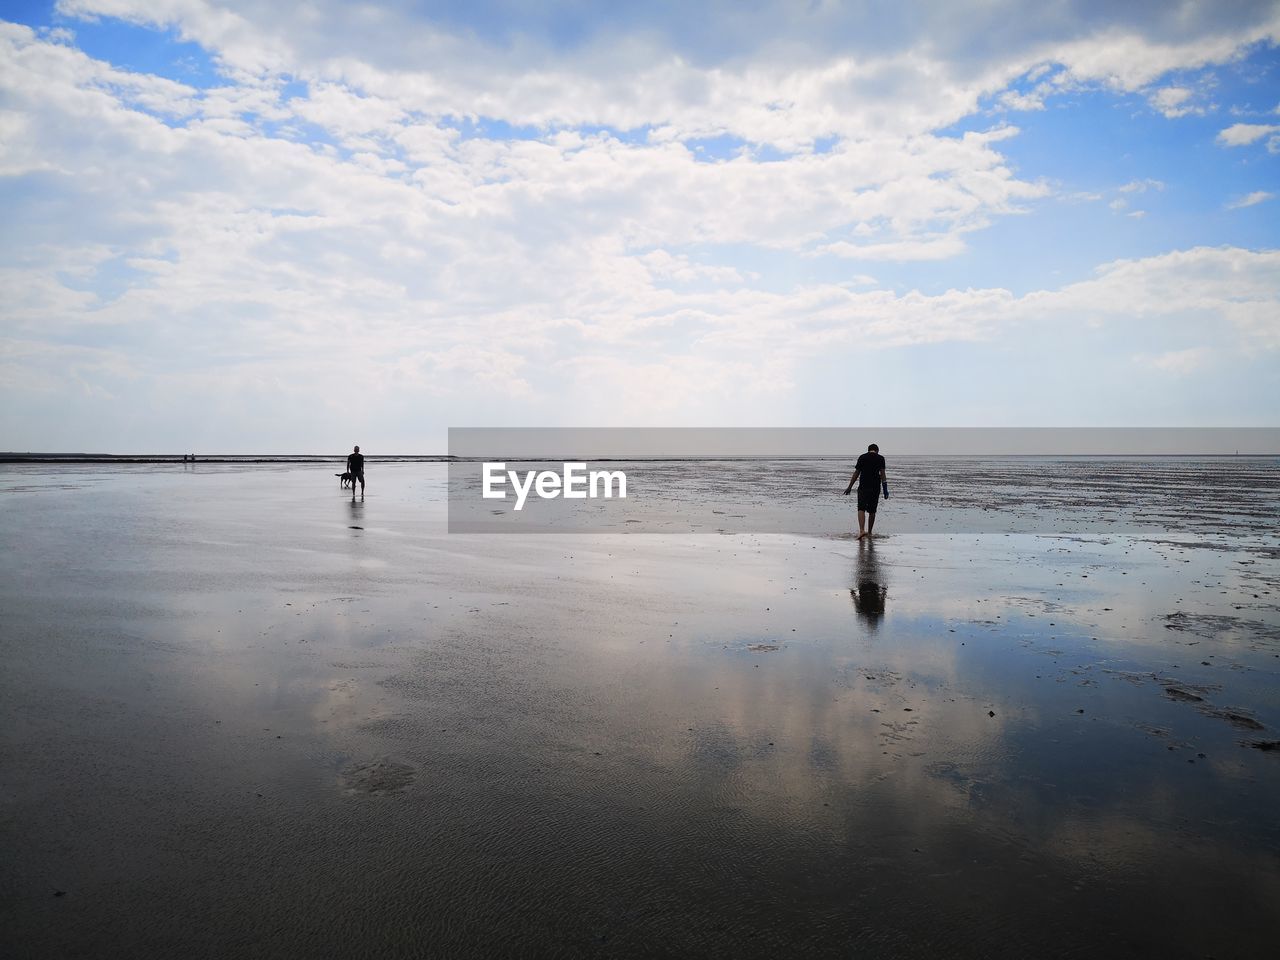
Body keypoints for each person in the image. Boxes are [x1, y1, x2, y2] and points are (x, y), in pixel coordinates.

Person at [843, 443, 886, 540]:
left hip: (863, 487)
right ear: (877, 450)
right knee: (872, 511)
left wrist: (849, 487)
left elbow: (856, 473)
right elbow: (883, 474)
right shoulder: (880, 458)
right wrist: (885, 489)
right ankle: (870, 532)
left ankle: (862, 530)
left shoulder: (862, 457)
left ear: (868, 450)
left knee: (861, 508)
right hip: (875, 488)